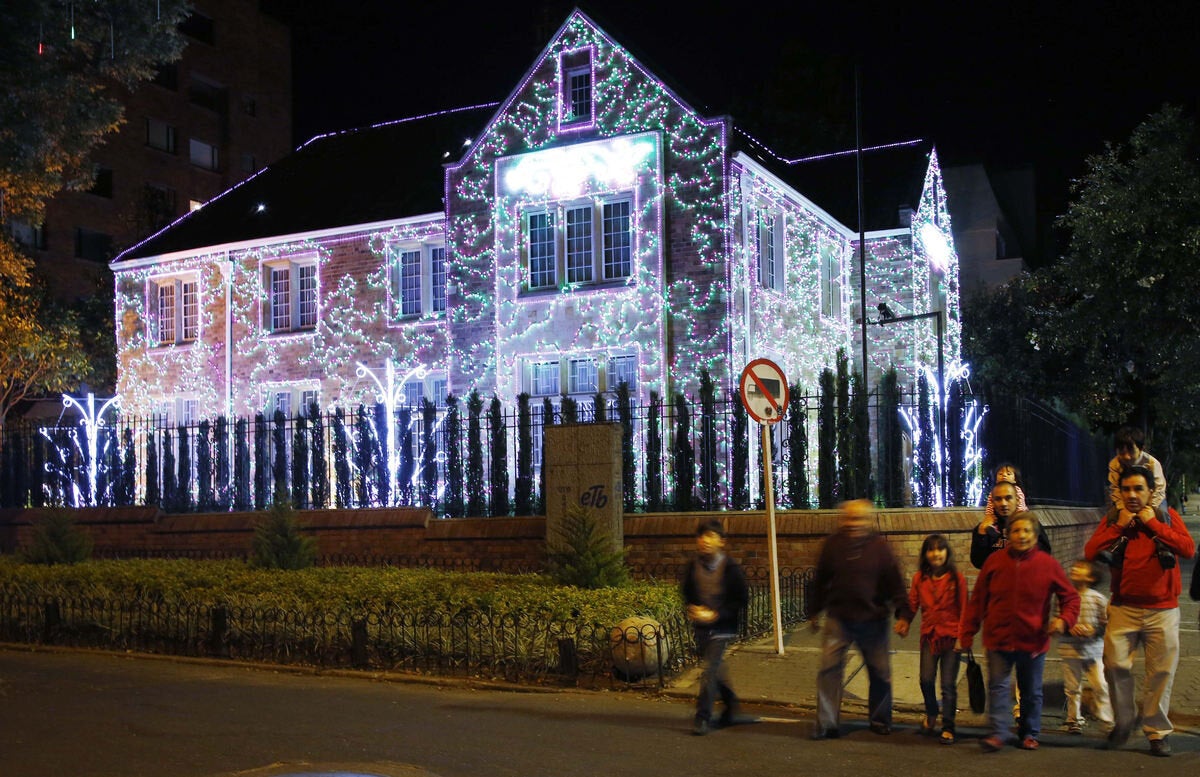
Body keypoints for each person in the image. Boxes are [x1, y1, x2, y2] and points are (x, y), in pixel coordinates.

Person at [1085, 465, 1195, 757]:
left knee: (1161, 673)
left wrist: (1154, 524)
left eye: (1138, 489)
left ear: (1149, 492)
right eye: (1127, 489)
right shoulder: (1114, 519)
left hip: (1163, 610)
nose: (1132, 495)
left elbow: (1188, 548)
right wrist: (1119, 525)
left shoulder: (1165, 516)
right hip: (1124, 608)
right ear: (1119, 493)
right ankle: (1124, 721)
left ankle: (1157, 732)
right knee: (1115, 666)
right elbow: (1090, 551)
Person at [959, 511, 1079, 752]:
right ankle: (998, 732)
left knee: (1031, 692)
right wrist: (967, 631)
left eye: (1027, 531)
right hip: (998, 639)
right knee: (998, 688)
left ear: (1035, 536)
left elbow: (1071, 597)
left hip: (1033, 641)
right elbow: (979, 599)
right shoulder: (994, 562)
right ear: (1007, 534)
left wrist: (1064, 620)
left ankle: (1029, 732)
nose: (1021, 535)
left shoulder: (1048, 565)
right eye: (1016, 531)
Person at [810, 499, 906, 740]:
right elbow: (820, 579)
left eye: (859, 518)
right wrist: (813, 610)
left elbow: (895, 582)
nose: (854, 523)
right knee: (828, 670)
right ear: (842, 519)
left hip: (873, 620)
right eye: (850, 518)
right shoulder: (832, 545)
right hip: (839, 619)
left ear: (869, 520)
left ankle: (880, 719)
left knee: (880, 672)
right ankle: (827, 723)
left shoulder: (880, 548)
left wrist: (903, 614)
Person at [894, 533, 967, 744]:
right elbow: (913, 603)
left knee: (947, 684)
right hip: (929, 636)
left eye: (940, 549)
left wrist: (963, 636)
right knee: (926, 679)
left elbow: (965, 609)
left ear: (947, 553)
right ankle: (932, 712)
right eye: (931, 549)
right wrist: (905, 621)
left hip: (952, 638)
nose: (936, 554)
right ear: (926, 554)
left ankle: (948, 727)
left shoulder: (956, 578)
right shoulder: (920, 578)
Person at [681, 518, 750, 736]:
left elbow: (741, 599)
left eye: (711, 536)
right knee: (716, 671)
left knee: (709, 670)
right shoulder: (693, 566)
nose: (705, 541)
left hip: (723, 627)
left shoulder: (730, 568)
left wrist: (717, 614)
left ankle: (702, 717)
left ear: (721, 541)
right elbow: (686, 590)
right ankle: (730, 705)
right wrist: (693, 608)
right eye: (701, 536)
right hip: (701, 626)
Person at [1058, 559, 1113, 735]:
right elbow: (1056, 620)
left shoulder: (1098, 599)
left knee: (1101, 685)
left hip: (1093, 651)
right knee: (1072, 688)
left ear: (1091, 577)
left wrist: (1093, 630)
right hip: (1070, 649)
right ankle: (1074, 719)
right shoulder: (1064, 597)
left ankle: (1107, 720)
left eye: (1081, 568)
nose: (1075, 568)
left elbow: (1106, 623)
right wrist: (1069, 627)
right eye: (1075, 566)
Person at [971, 480, 1050, 569]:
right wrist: (982, 536)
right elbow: (978, 562)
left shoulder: (1030, 524)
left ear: (1017, 500)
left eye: (1008, 498)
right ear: (992, 502)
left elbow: (1045, 553)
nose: (1003, 504)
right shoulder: (984, 528)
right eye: (998, 499)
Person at [1107, 427, 1166, 510]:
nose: (1126, 457)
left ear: (1141, 449)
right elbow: (1115, 488)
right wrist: (1121, 508)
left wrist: (1150, 508)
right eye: (1121, 452)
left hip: (1152, 500)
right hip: (1126, 501)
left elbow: (1159, 488)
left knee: (1163, 514)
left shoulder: (1152, 463)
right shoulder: (1115, 464)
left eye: (1131, 451)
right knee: (1112, 516)